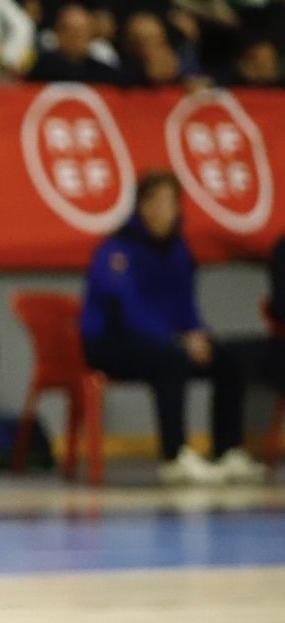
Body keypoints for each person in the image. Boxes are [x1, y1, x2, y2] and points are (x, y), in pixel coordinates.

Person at [80, 172, 265, 486]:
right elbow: (129, 310)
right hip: (110, 343)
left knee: (229, 357)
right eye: (154, 201)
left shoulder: (180, 251)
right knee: (172, 359)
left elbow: (186, 307)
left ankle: (228, 451)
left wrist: (200, 335)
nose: (161, 209)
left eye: (169, 202)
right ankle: (174, 456)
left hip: (167, 341)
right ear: (141, 206)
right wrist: (177, 340)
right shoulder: (116, 251)